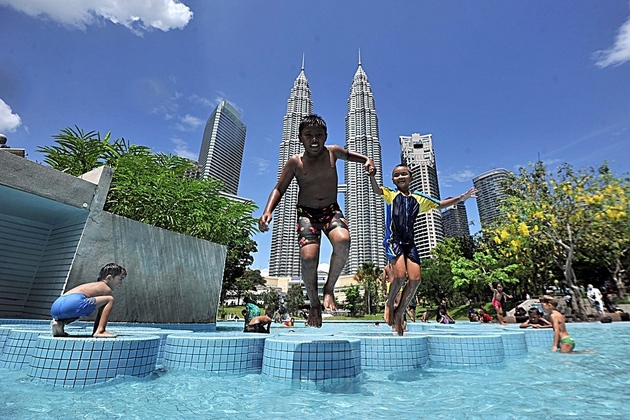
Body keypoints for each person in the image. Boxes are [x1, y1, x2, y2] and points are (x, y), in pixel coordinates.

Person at [258, 114, 375, 328]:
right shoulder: (295, 162)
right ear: (301, 138)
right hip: (307, 214)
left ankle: (329, 288)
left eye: (319, 135)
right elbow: (279, 188)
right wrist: (267, 211)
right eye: (309, 135)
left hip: (331, 210)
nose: (314, 140)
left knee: (343, 240)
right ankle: (314, 304)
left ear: (325, 137)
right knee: (309, 258)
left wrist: (367, 160)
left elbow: (351, 155)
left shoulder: (333, 153)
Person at [369, 163, 476, 335]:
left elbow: (439, 204)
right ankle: (389, 303)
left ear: (411, 177)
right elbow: (376, 190)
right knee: (400, 275)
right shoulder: (391, 194)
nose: (400, 177)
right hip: (394, 240)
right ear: (392, 179)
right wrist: (372, 176)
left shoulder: (418, 198)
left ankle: (400, 311)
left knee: (416, 279)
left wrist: (461, 198)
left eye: (404, 174)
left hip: (409, 243)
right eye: (396, 175)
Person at [50, 262, 127, 338]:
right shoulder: (106, 288)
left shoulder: (93, 285)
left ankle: (59, 323)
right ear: (109, 278)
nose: (121, 283)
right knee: (109, 299)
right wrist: (97, 330)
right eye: (120, 279)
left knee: (76, 312)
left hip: (56, 306)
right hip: (73, 303)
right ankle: (101, 331)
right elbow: (101, 313)